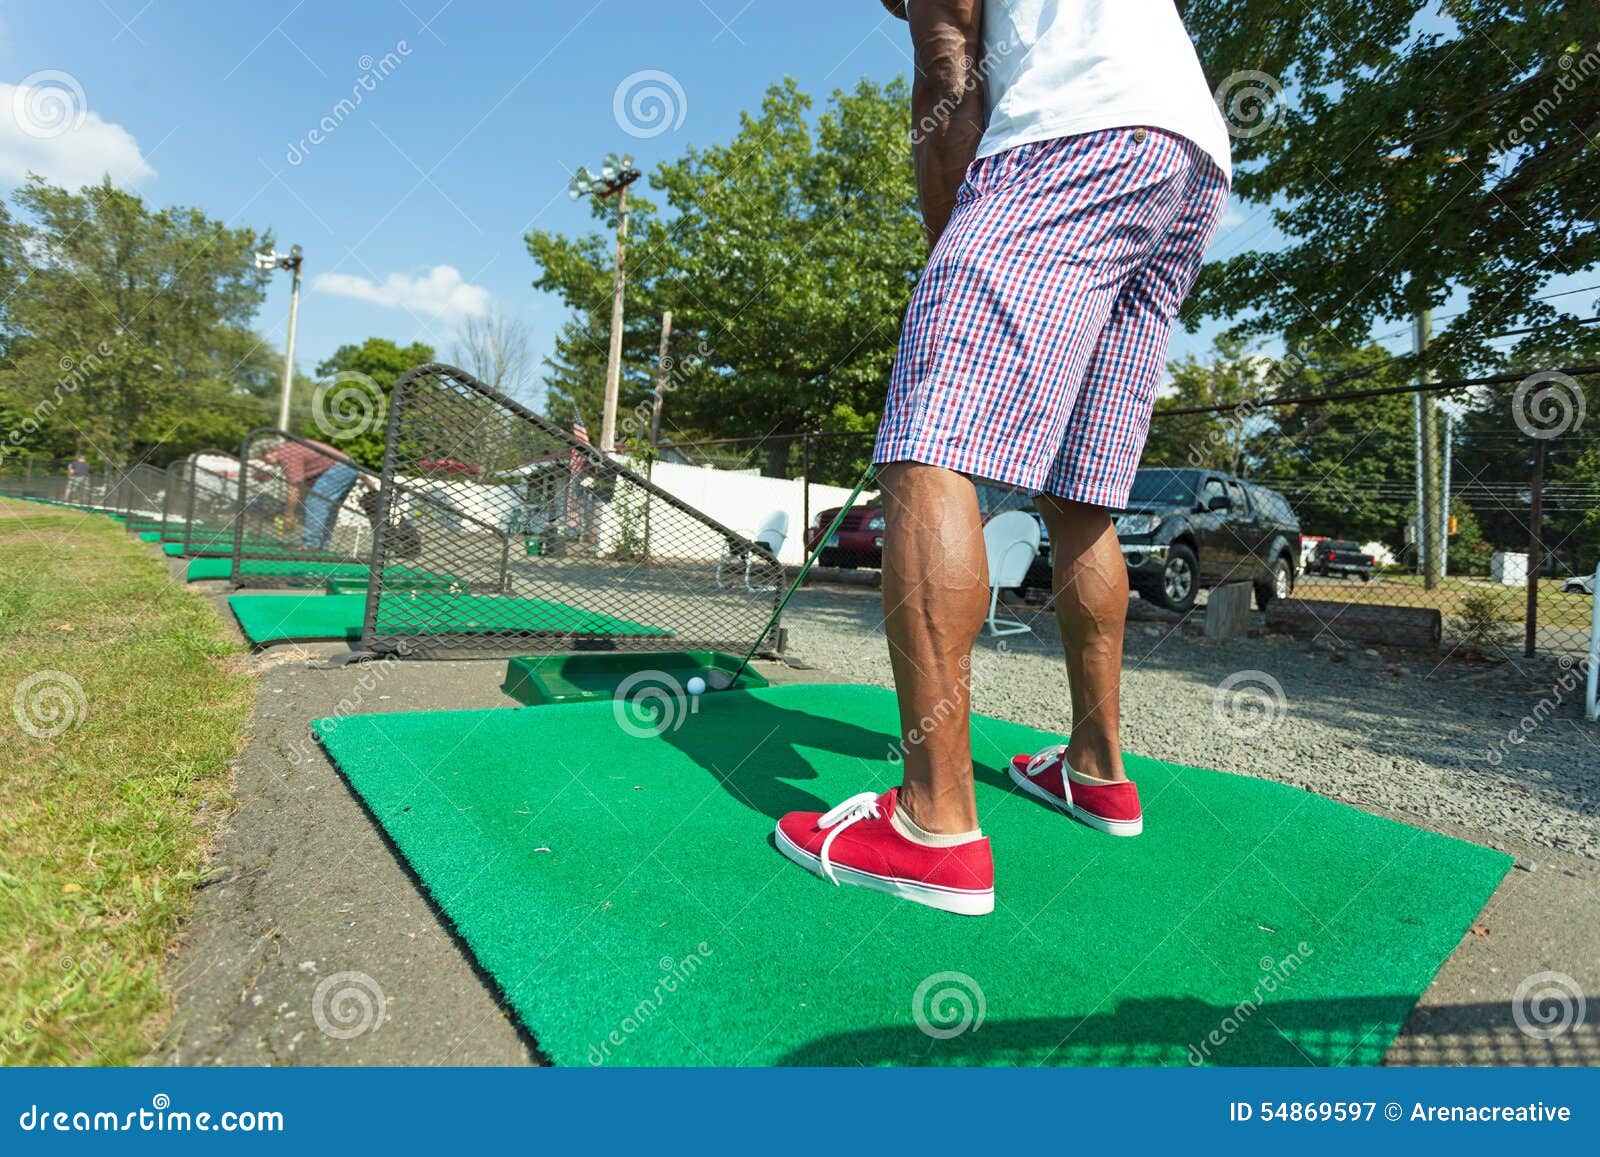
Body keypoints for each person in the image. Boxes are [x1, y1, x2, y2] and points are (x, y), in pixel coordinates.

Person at [773, 0, 1232, 916]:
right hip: (1190, 156)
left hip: (1074, 132)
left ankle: (931, 828)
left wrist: (957, 259)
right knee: (1083, 490)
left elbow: (948, 72)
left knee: (928, 442)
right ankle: (1097, 771)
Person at [260, 438, 375, 551]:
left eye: (263, 457)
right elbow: (304, 487)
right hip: (349, 468)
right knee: (330, 508)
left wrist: (289, 515)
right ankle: (323, 546)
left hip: (339, 468)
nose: (265, 462)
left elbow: (293, 489)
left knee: (315, 502)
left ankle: (310, 545)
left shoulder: (287, 454)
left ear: (269, 452)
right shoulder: (292, 448)